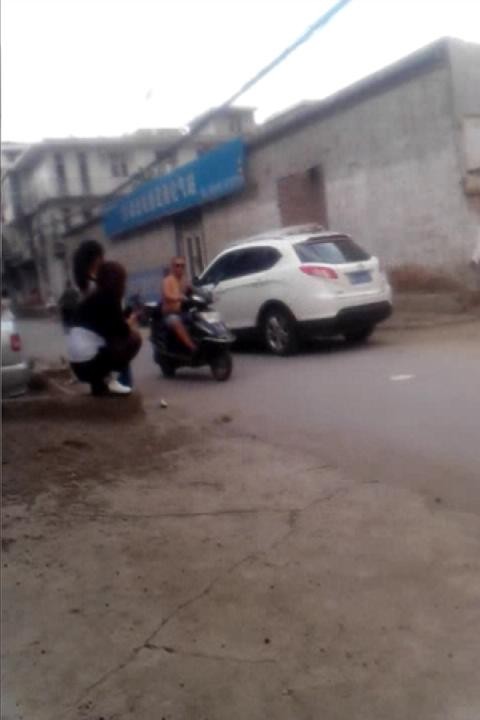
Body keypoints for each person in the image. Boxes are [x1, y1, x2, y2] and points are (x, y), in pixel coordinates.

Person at [67, 261, 142, 396]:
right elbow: (120, 332)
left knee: (107, 342)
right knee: (134, 339)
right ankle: (112, 380)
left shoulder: (92, 298)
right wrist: (130, 321)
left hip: (77, 365)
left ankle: (100, 386)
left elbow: (105, 326)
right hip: (90, 364)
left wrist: (123, 318)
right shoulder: (110, 299)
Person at [162, 256, 196, 352]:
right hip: (170, 314)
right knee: (175, 321)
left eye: (182, 265)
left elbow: (194, 290)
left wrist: (207, 295)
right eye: (177, 265)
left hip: (183, 312)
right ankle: (192, 348)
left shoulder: (184, 281)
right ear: (172, 267)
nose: (180, 268)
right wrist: (178, 297)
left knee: (198, 317)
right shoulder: (167, 281)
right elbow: (166, 295)